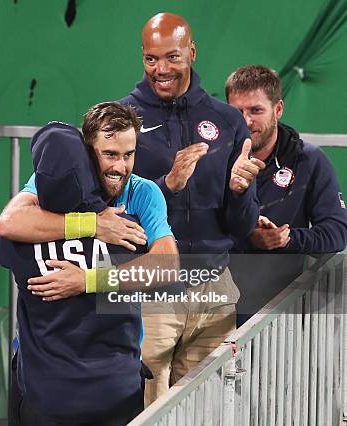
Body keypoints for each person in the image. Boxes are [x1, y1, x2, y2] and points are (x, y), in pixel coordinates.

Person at [0, 102, 178, 424]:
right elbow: (10, 222)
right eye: (110, 154)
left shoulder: (143, 193)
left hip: (113, 377)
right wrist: (93, 224)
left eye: (129, 154)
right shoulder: (52, 185)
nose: (121, 167)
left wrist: (88, 280)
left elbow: (166, 264)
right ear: (86, 150)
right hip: (43, 378)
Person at [118, 13, 264, 404]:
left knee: (209, 407)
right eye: (151, 59)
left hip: (214, 290)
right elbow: (109, 219)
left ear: (192, 52)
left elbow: (242, 226)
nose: (161, 69)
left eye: (172, 57)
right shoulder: (121, 120)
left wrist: (239, 191)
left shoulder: (228, 120)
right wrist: (167, 187)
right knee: (149, 408)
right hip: (151, 293)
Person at [225, 64, 347, 325]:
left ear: (277, 109)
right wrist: (247, 235)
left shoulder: (309, 161)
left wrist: (286, 238)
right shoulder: (212, 159)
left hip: (279, 326)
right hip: (210, 314)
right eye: (237, 112)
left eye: (256, 110)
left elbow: (338, 232)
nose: (246, 121)